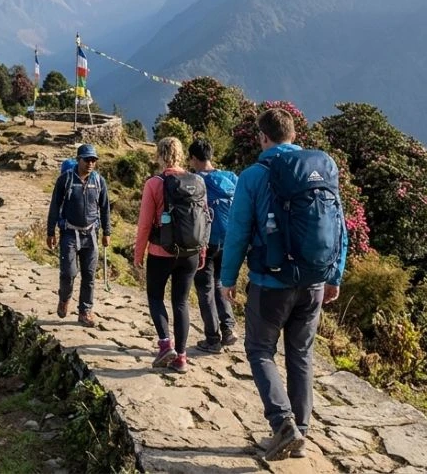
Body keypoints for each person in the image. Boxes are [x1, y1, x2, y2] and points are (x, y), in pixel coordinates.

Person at [220, 107, 348, 461]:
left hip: (270, 282)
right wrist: (334, 275)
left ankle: (282, 424)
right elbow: (340, 226)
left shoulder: (253, 176)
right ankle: (300, 432)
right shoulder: (322, 169)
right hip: (314, 282)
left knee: (260, 350)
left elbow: (238, 232)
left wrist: (227, 279)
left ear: (263, 137)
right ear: (293, 135)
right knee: (301, 354)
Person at [134, 137, 210, 373]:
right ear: (181, 155)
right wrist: (202, 250)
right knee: (181, 302)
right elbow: (205, 219)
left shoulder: (154, 183)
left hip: (161, 251)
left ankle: (166, 345)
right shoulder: (198, 181)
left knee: (155, 297)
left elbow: (145, 224)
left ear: (159, 155)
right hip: (190, 253)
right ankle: (182, 358)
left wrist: (138, 254)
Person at [47, 143, 110, 327]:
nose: (90, 163)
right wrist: (50, 232)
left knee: (89, 275)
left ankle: (85, 312)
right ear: (78, 160)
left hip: (91, 234)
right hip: (69, 233)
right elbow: (54, 206)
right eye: (87, 160)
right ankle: (64, 298)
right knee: (69, 273)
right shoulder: (65, 180)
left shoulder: (99, 181)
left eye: (93, 160)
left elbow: (105, 208)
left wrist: (107, 232)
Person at [188, 138, 240, 353]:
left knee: (205, 289)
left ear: (193, 158)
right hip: (229, 242)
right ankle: (228, 329)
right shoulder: (231, 178)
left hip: (205, 243)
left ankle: (212, 339)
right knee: (220, 283)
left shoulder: (195, 180)